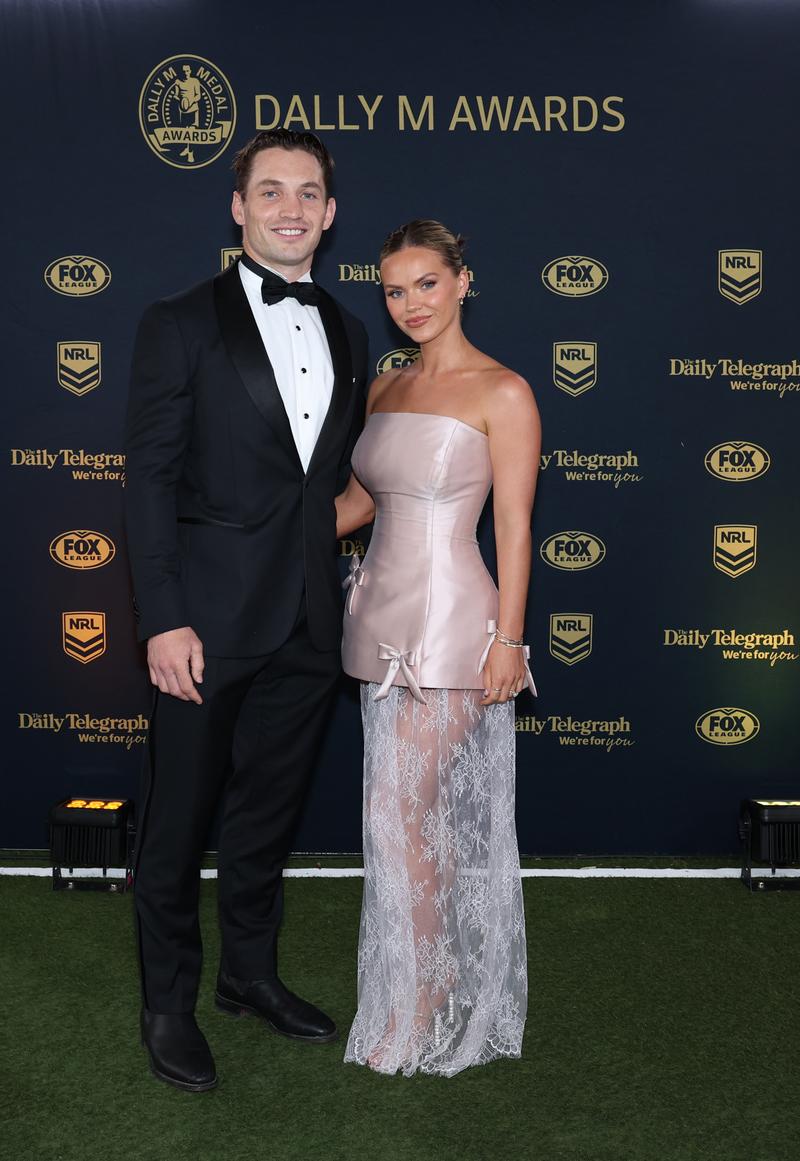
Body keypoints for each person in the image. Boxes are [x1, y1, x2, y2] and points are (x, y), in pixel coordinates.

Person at [124, 129, 368, 1092]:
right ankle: (169, 1005)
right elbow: (147, 479)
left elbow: (329, 487)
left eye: (308, 193)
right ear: (238, 206)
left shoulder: (349, 330)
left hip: (311, 623)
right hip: (205, 624)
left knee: (268, 818)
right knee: (178, 825)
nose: (291, 209)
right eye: (271, 191)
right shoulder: (178, 321)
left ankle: (250, 976)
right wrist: (160, 615)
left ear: (331, 213)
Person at [335, 220, 541, 1076]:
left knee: (400, 814)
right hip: (377, 620)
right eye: (393, 288)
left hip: (459, 624)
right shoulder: (385, 389)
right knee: (402, 821)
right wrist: (251, 534)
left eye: (426, 283)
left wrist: (511, 642)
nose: (410, 302)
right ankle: (427, 977)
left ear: (463, 281)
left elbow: (516, 526)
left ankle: (421, 1001)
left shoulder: (506, 391)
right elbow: (353, 505)